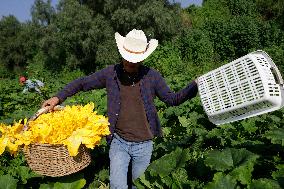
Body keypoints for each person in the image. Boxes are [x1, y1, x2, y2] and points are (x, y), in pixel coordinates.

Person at [42, 29, 198, 189]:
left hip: (144, 144)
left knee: (140, 185)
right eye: (127, 58)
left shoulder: (152, 76)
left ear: (142, 59)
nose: (130, 63)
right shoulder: (111, 73)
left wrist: (194, 85)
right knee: (117, 186)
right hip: (118, 141)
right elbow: (83, 82)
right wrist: (57, 97)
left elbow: (172, 99)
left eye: (135, 60)